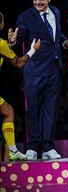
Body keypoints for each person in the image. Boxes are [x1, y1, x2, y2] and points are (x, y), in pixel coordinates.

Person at [10, 0, 68, 160]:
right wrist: (14, 41)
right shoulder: (25, 17)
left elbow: (55, 36)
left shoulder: (56, 12)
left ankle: (48, 147)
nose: (38, 2)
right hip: (34, 72)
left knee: (50, 110)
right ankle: (32, 147)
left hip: (54, 69)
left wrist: (64, 42)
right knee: (33, 110)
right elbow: (19, 36)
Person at [0, 12, 40, 161]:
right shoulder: (0, 44)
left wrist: (9, 44)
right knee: (8, 112)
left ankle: (12, 151)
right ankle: (12, 151)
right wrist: (32, 50)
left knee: (8, 110)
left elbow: (5, 50)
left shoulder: (3, 44)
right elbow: (19, 63)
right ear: (1, 24)